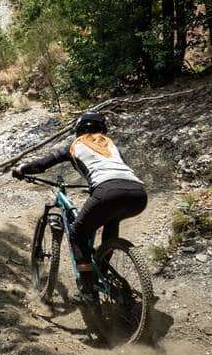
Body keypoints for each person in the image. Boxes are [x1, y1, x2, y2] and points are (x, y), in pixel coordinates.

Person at [12, 110, 147, 304]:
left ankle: (87, 290)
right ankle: (103, 267)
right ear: (103, 129)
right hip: (138, 194)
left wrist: (22, 169)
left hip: (107, 191)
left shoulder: (76, 144)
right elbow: (117, 170)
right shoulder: (111, 145)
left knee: (77, 233)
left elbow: (44, 163)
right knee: (111, 219)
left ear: (78, 130)